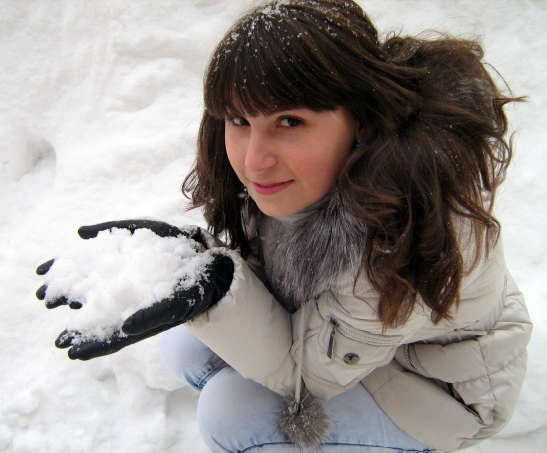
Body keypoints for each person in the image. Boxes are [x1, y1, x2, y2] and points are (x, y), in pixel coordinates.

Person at [36, 1, 532, 451]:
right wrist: (193, 262)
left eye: (290, 121)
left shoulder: (395, 234)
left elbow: (309, 377)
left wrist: (220, 290)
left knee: (230, 415)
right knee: (186, 346)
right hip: (359, 339)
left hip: (441, 389)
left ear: (361, 120)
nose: (254, 161)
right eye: (238, 121)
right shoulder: (325, 173)